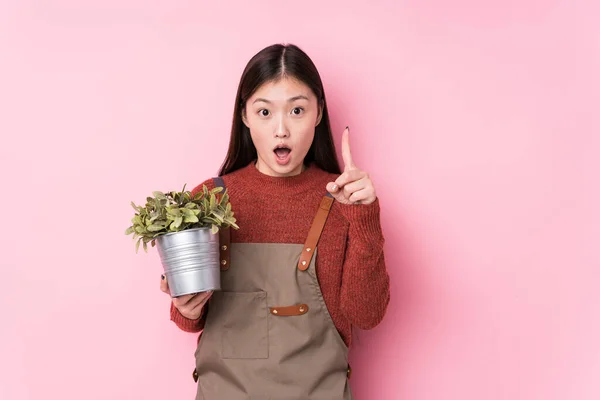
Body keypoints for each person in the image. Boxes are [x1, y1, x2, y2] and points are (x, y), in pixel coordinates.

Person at [159, 43, 390, 399]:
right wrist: (184, 305)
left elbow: (367, 314)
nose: (281, 129)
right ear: (245, 116)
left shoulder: (346, 199)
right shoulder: (209, 200)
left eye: (297, 110)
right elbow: (189, 320)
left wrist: (364, 217)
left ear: (318, 113)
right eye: (265, 112)